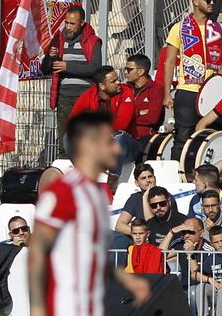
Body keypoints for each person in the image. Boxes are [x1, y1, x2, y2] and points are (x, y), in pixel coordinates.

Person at [28, 113, 148, 316]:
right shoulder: (62, 192)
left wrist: (126, 279)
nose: (117, 148)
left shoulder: (95, 194)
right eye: (108, 142)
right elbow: (37, 253)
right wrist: (38, 309)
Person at [162, 0, 222, 157]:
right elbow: (169, 62)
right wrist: (166, 93)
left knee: (209, 136)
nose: (212, 3)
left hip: (213, 90)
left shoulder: (220, 28)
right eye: (207, 0)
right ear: (195, 2)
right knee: (182, 137)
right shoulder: (179, 28)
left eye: (213, 0)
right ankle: (177, 176)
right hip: (188, 89)